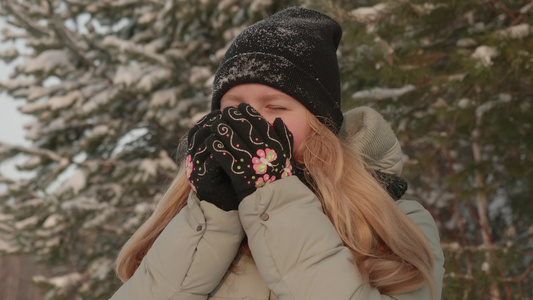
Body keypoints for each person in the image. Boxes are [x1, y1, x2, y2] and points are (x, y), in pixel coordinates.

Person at [110, 7, 444, 300]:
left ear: (320, 125)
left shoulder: (393, 219)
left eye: (276, 106)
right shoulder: (187, 213)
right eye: (235, 107)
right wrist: (215, 214)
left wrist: (273, 194)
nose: (252, 121)